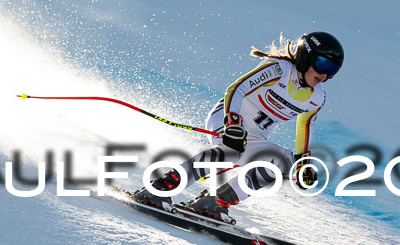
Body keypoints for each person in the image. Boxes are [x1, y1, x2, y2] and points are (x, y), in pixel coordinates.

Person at [133, 31, 344, 222]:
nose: (325, 74)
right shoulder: (279, 70)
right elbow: (237, 88)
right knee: (232, 151)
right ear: (306, 57)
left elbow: (305, 125)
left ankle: (213, 202)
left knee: (283, 162)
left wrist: (303, 162)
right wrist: (233, 122)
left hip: (255, 138)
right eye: (323, 64)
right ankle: (161, 188)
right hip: (228, 120)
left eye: (333, 70)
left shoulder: (317, 97)